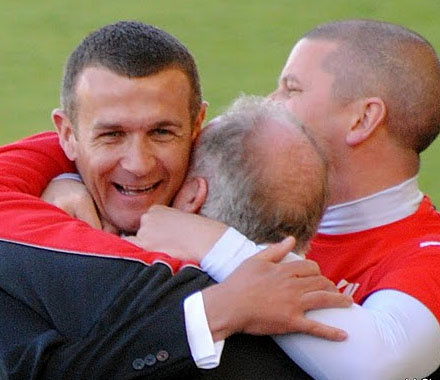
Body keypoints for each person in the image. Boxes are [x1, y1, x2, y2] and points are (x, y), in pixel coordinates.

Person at [0, 21, 350, 379]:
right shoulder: (29, 252)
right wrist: (64, 175)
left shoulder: (258, 276)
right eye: (111, 135)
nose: (138, 165)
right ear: (67, 135)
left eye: (162, 132)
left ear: (197, 123)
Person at [122, 19, 440, 379]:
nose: (271, 102)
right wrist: (66, 178)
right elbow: (118, 148)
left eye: (291, 89)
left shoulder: (428, 256)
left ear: (362, 119)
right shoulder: (252, 185)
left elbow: (377, 367)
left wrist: (214, 242)